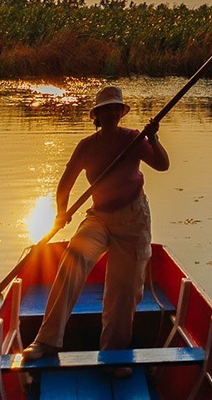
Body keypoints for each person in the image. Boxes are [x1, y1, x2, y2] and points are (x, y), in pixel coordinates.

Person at [22, 85, 169, 365]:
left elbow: (162, 165)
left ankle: (114, 357)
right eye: (106, 110)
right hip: (99, 216)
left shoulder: (134, 139)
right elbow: (65, 184)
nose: (112, 113)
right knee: (73, 259)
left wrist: (154, 139)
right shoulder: (86, 146)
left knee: (122, 292)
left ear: (121, 113)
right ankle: (46, 341)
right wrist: (60, 214)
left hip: (133, 218)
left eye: (116, 108)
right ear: (97, 117)